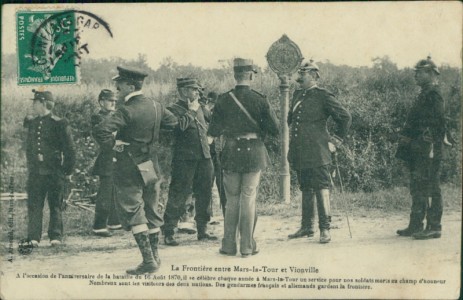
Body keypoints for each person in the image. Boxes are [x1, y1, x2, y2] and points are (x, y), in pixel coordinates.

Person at [94, 66, 178, 275]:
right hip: (149, 164)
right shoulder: (156, 106)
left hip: (128, 166)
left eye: (120, 84)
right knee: (151, 209)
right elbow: (174, 123)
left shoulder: (126, 109)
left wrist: (114, 145)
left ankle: (148, 261)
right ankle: (156, 257)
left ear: (131, 85)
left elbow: (101, 130)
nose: (117, 88)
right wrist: (152, 139)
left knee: (133, 211)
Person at [208, 58, 279, 257]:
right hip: (254, 153)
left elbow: (213, 130)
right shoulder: (260, 99)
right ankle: (247, 247)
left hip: (231, 152)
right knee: (248, 199)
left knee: (231, 200)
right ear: (250, 75)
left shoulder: (223, 99)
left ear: (235, 75)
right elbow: (274, 129)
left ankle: (228, 245)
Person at [287, 59, 351, 244]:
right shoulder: (298, 94)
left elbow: (345, 117)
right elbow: (291, 120)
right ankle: (307, 227)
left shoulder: (323, 96)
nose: (299, 77)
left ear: (314, 76)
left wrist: (336, 140)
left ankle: (325, 228)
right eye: (299, 73)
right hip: (300, 150)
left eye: (303, 74)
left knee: (322, 187)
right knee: (305, 187)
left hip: (318, 151)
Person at [162, 78, 217, 246]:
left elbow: (213, 121)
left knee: (205, 193)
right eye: (194, 89)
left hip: (204, 158)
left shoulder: (200, 107)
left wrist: (211, 135)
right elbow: (178, 128)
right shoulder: (173, 110)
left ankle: (203, 230)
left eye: (198, 90)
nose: (197, 93)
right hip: (184, 160)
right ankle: (169, 231)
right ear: (184, 91)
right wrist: (192, 112)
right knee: (179, 194)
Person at [396, 57, 446, 240]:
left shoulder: (434, 94)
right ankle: (416, 224)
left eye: (419, 72)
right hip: (419, 148)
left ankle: (434, 226)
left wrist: (431, 141)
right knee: (417, 185)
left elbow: (439, 122)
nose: (415, 75)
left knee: (431, 185)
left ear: (430, 73)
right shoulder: (424, 93)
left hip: (429, 148)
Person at [24, 89, 76, 247]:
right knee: (34, 204)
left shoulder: (59, 123)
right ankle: (33, 238)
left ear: (43, 104)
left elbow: (69, 150)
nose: (33, 105)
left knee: (55, 205)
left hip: (54, 172)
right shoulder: (32, 122)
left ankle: (55, 237)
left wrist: (66, 171)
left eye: (35, 102)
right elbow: (29, 148)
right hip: (36, 172)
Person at [91, 89, 121, 237]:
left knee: (116, 190)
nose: (113, 103)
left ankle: (114, 222)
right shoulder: (97, 118)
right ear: (101, 102)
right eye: (110, 101)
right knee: (105, 193)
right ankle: (99, 225)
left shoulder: (116, 116)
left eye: (115, 101)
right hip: (107, 158)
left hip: (118, 157)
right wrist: (116, 137)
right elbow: (103, 139)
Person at [208, 91, 227, 216]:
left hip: (218, 153)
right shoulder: (207, 112)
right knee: (209, 184)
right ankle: (210, 214)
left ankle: (226, 213)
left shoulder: (220, 114)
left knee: (221, 185)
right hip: (212, 153)